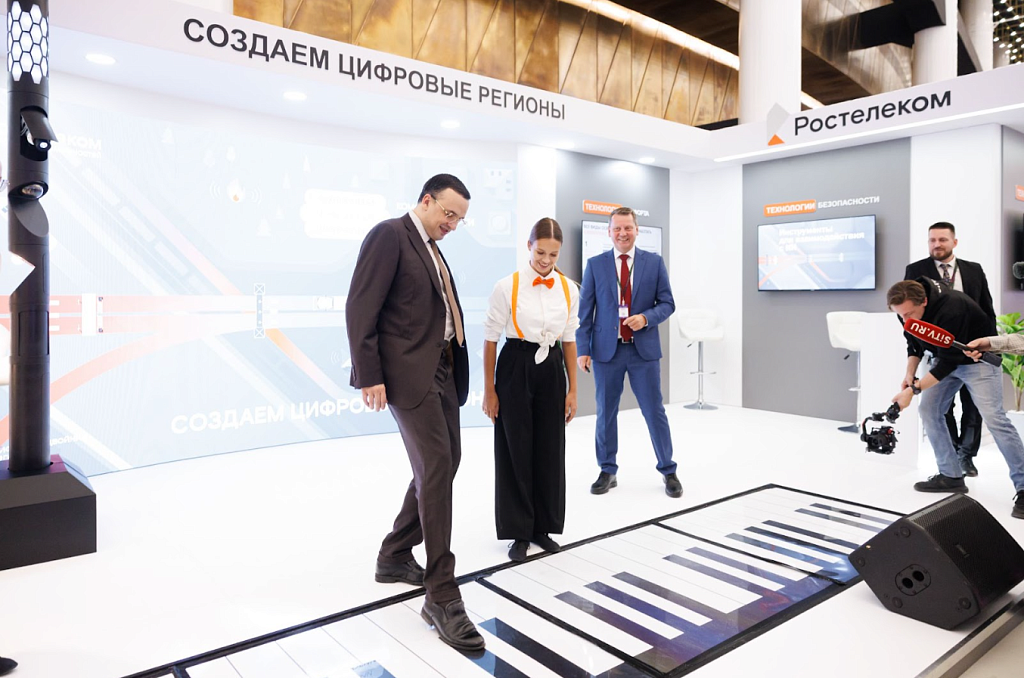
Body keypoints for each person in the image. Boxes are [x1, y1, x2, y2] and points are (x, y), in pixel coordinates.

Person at [346, 174, 484, 652]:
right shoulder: (390, 235)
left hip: (443, 368)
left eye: (459, 219)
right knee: (437, 465)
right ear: (426, 201)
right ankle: (441, 595)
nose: (453, 224)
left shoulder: (430, 246)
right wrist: (369, 374)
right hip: (407, 374)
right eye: (448, 214)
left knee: (444, 463)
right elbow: (360, 307)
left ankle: (394, 555)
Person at [482, 218, 580, 562]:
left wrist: (572, 390)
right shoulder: (506, 286)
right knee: (515, 447)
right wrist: (489, 390)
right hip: (515, 364)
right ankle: (519, 531)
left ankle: (543, 527)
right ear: (529, 246)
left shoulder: (569, 289)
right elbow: (490, 339)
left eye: (553, 255)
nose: (545, 260)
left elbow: (570, 340)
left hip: (551, 367)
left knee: (551, 448)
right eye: (540, 253)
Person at [887, 279, 1024, 519]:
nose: (904, 319)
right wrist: (910, 374)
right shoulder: (906, 312)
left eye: (908, 314)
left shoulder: (952, 307)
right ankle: (950, 475)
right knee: (929, 410)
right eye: (900, 315)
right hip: (942, 358)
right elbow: (913, 343)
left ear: (924, 302)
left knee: (995, 420)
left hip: (977, 362)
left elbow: (949, 362)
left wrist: (912, 391)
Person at [576, 206, 681, 498]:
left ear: (636, 230)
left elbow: (668, 303)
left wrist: (646, 318)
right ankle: (607, 470)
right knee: (605, 414)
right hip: (606, 352)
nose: (623, 233)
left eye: (628, 228)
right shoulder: (595, 265)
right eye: (617, 228)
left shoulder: (654, 263)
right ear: (609, 232)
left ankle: (668, 470)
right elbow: (585, 312)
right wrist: (583, 349)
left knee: (654, 411)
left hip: (643, 352)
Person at [904, 222, 995, 477]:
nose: (937, 244)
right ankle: (953, 453)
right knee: (940, 407)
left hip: (973, 351)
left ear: (954, 242)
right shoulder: (915, 270)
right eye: (932, 240)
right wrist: (913, 359)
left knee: (972, 406)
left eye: (942, 239)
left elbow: (987, 310)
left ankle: (967, 456)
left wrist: (992, 345)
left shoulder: (973, 270)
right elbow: (910, 319)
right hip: (939, 352)